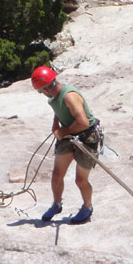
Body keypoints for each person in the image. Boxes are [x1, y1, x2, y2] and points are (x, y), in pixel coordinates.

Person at [31, 65, 100, 224]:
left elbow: (83, 122)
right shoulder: (53, 97)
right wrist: (56, 125)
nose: (42, 94)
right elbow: (59, 109)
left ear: (46, 89)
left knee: (80, 180)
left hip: (86, 136)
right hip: (68, 135)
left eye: (41, 91)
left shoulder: (69, 95)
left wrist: (62, 131)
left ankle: (87, 207)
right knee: (57, 175)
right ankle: (57, 204)